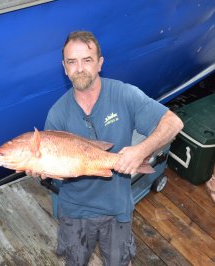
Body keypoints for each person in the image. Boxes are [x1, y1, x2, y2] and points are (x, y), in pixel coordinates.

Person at [27, 31, 184, 266]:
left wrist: (140, 150)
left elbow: (174, 123)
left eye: (87, 60)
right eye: (72, 62)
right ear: (64, 67)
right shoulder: (57, 114)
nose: (79, 68)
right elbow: (55, 171)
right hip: (75, 211)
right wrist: (40, 169)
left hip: (117, 208)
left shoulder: (124, 94)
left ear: (100, 63)